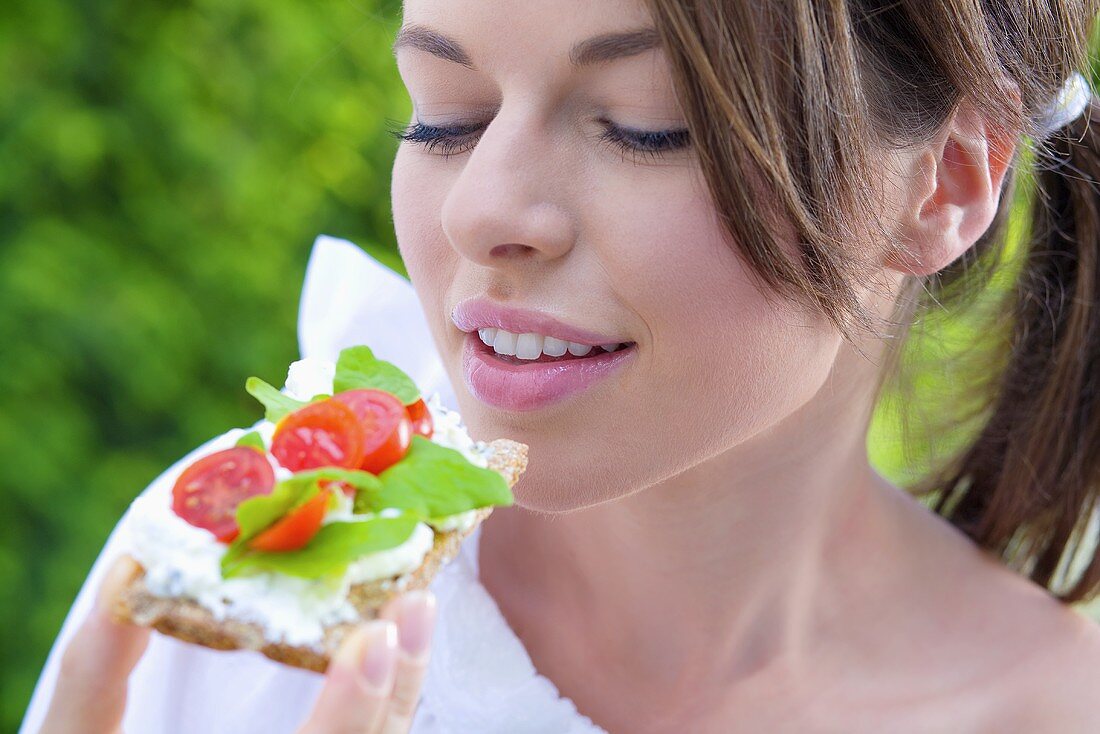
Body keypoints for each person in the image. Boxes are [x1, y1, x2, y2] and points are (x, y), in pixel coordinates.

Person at [21, 0, 1100, 731]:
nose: (480, 207)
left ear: (946, 184)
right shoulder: (245, 564)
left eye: (640, 129)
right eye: (445, 116)